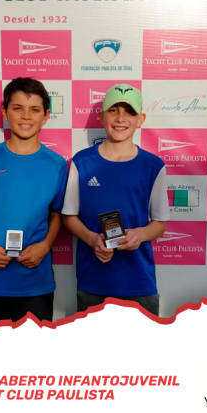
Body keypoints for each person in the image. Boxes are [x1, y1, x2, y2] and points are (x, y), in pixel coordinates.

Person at [0, 78, 68, 323]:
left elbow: (57, 214)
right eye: (17, 108)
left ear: (46, 116)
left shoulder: (56, 164)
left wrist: (45, 245)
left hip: (35, 280)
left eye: (35, 109)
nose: (26, 116)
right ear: (5, 112)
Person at [62, 83, 170, 316]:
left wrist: (140, 235)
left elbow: (160, 223)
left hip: (139, 281)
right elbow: (69, 217)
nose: (120, 118)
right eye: (113, 110)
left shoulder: (153, 166)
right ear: (101, 116)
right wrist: (92, 239)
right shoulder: (82, 162)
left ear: (140, 119)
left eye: (129, 112)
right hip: (93, 280)